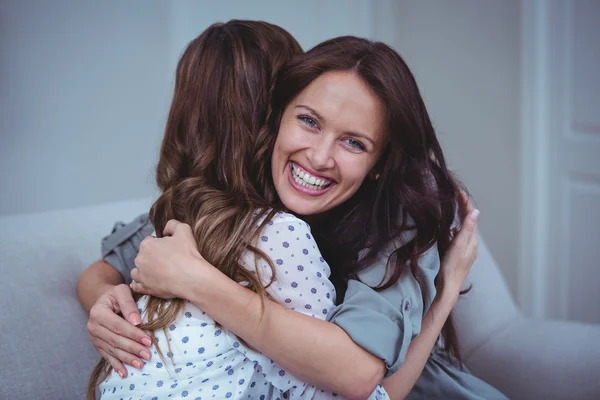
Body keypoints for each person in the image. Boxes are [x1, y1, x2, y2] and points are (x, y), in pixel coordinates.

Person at [80, 32, 504, 399]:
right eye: (308, 120)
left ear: (379, 161)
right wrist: (106, 303)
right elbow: (107, 267)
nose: (319, 158)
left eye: (354, 143)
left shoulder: (394, 219)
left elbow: (355, 375)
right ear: (275, 118)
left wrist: (196, 280)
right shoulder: (240, 206)